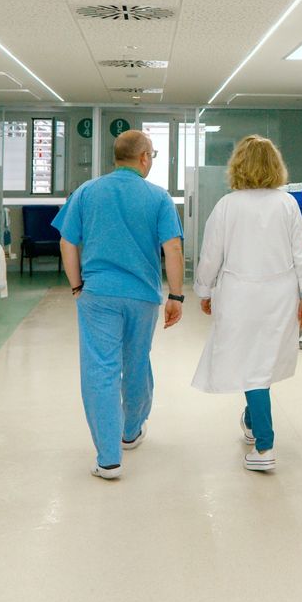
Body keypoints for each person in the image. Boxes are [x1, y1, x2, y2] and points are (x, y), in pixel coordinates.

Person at [56, 129, 185, 480]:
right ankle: (131, 431)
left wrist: (76, 285)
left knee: (101, 369)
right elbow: (172, 249)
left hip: (97, 294)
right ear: (144, 158)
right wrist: (176, 295)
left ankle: (108, 458)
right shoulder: (159, 198)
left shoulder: (87, 192)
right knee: (136, 361)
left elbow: (68, 242)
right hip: (142, 297)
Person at [192, 135, 302, 472]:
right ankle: (252, 419)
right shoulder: (287, 204)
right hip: (280, 295)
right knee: (262, 363)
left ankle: (265, 446)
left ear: (238, 166)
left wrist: (203, 291)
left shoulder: (227, 206)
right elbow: (301, 256)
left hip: (239, 296)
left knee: (253, 365)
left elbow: (210, 256)